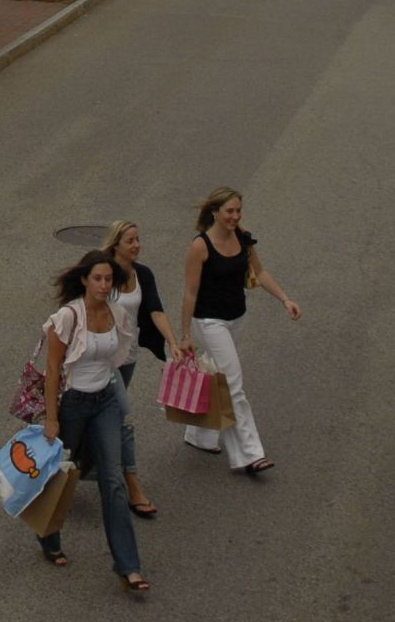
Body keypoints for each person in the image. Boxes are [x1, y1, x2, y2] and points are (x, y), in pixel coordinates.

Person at [36, 250, 149, 593]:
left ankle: (129, 565)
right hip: (73, 404)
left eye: (108, 279)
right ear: (84, 280)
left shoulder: (117, 314)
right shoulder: (68, 317)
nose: (103, 285)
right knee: (61, 476)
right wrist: (52, 419)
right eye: (97, 279)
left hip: (105, 403)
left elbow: (122, 355)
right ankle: (48, 536)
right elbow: (53, 369)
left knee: (113, 481)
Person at [177, 187, 301, 476]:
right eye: (229, 211)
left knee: (216, 376)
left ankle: (199, 435)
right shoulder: (200, 246)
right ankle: (250, 454)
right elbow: (190, 293)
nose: (235, 216)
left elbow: (260, 272)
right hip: (209, 322)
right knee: (233, 383)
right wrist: (185, 335)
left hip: (236, 318)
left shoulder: (243, 239)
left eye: (238, 210)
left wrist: (285, 299)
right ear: (215, 213)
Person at [100, 220, 174, 519]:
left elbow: (155, 310)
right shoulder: (102, 274)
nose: (137, 245)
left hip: (128, 358)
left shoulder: (142, 274)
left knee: (108, 415)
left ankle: (86, 463)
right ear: (116, 244)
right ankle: (133, 487)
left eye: (138, 239)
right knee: (123, 415)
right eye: (130, 240)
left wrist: (172, 343)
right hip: (102, 360)